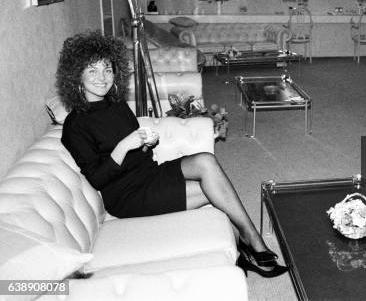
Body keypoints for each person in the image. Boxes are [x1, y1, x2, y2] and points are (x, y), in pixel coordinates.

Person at [57, 32, 287, 278]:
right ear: (77, 76)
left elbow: (139, 147)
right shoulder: (75, 125)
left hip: (150, 173)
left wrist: (147, 142)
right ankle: (254, 244)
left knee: (206, 163)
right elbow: (97, 178)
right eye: (92, 71)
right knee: (216, 191)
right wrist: (124, 146)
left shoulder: (116, 104)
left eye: (107, 70)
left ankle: (248, 243)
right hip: (128, 196)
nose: (102, 78)